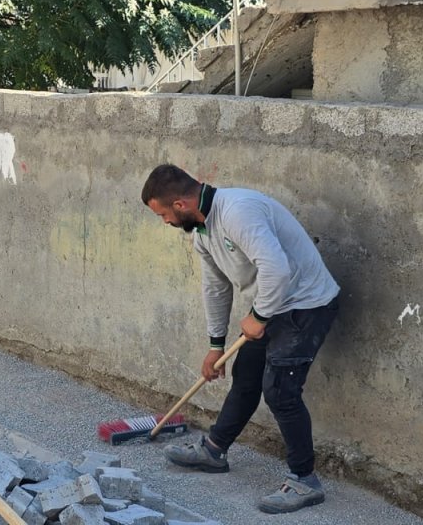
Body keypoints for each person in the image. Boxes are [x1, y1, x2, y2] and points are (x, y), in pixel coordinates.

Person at [141, 163, 340, 515]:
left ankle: (304, 480)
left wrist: (259, 316)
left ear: (181, 205)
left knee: (280, 390)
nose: (165, 223)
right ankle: (214, 451)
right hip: (275, 302)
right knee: (246, 375)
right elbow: (216, 287)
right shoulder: (202, 229)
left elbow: (277, 268)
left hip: (307, 303)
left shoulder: (237, 212)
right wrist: (216, 345)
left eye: (163, 215)